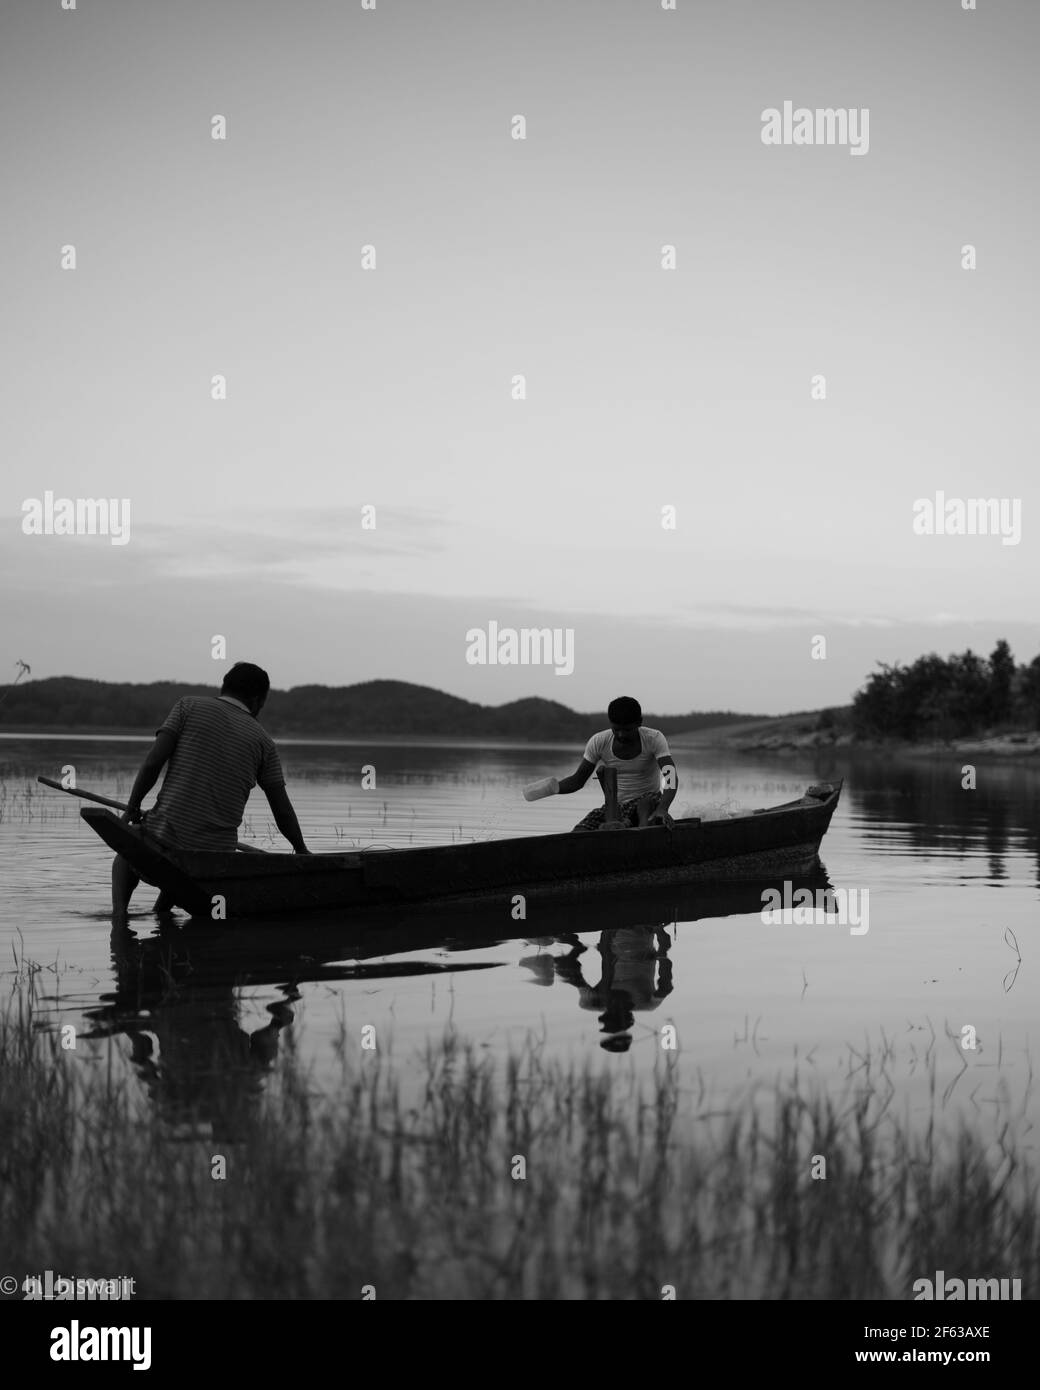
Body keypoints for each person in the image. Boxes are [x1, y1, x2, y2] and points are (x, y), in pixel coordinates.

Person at [112, 662, 309, 914]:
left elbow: (153, 762)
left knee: (126, 853)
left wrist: (132, 807)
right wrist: (300, 849)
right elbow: (281, 809)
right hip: (215, 859)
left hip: (165, 837)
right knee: (183, 864)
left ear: (224, 687)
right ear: (258, 700)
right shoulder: (264, 743)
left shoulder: (187, 706)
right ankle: (161, 913)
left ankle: (119, 918)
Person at [527, 696, 679, 831]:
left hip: (649, 802)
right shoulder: (599, 741)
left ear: (639, 722)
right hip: (616, 807)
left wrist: (662, 809)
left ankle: (642, 835)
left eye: (627, 730)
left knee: (645, 805)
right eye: (616, 729)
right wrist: (552, 788)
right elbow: (577, 781)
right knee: (579, 831)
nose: (621, 735)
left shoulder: (654, 738)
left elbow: (670, 775)